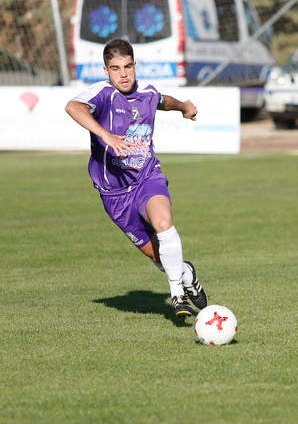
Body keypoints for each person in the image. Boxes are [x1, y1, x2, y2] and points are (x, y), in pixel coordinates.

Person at [65, 38, 208, 318]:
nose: (123, 73)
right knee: (159, 256)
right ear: (106, 70)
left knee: (164, 223)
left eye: (128, 66)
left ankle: (177, 295)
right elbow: (73, 107)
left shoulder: (147, 92)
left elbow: (164, 101)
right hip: (114, 195)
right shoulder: (104, 94)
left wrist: (185, 107)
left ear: (135, 65)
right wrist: (105, 135)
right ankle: (187, 274)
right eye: (116, 68)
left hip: (146, 178)